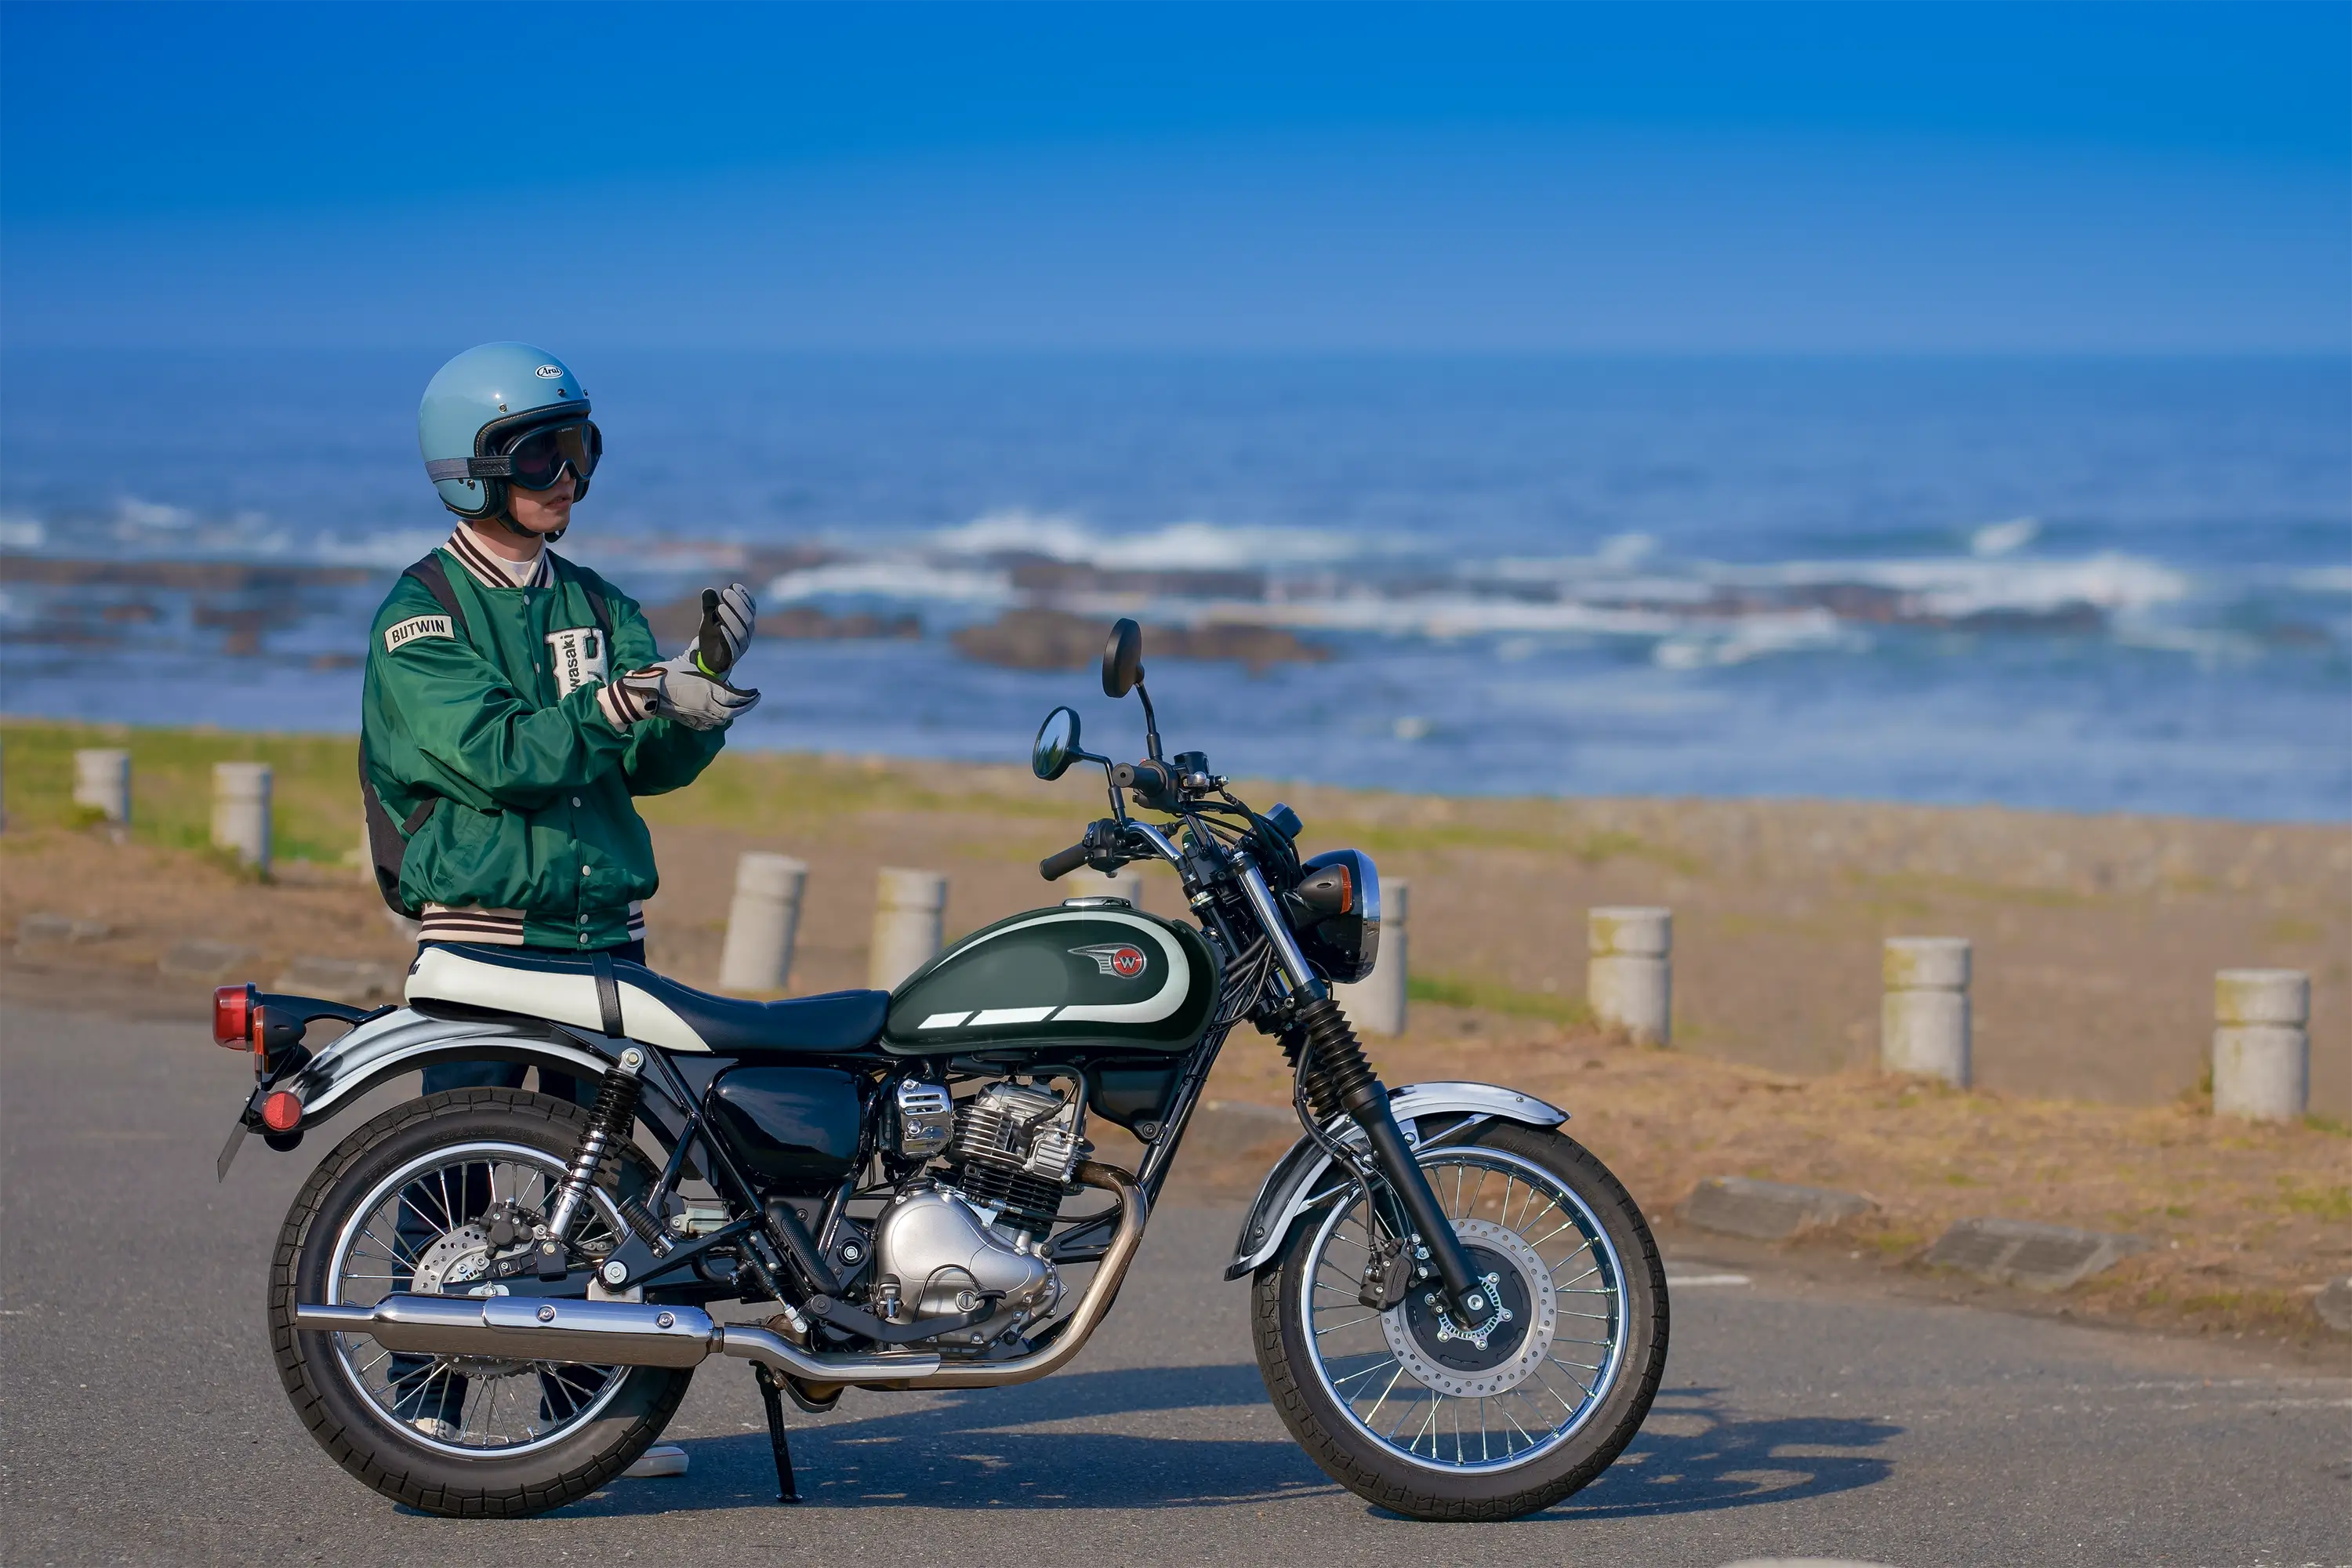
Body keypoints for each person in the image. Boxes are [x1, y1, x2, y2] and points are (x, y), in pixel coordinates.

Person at [361, 340, 758, 1443]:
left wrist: (698, 696)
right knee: (450, 1179)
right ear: (472, 467)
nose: (568, 478)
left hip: (604, 941)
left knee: (615, 1198)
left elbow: (642, 768)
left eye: (580, 450)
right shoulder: (422, 616)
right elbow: (495, 754)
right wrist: (628, 700)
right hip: (484, 940)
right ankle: (425, 1418)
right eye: (541, 455)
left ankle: (588, 1431)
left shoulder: (598, 603)